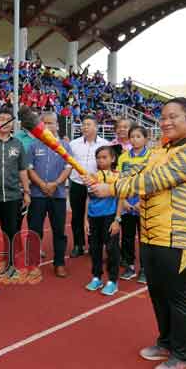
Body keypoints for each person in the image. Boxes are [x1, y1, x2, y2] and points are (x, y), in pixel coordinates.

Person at [86, 97, 186, 369]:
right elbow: (137, 174)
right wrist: (105, 180)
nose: (165, 122)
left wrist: (112, 189)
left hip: (182, 236)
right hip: (153, 234)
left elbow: (154, 181)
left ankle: (184, 356)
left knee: (178, 296)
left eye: (173, 117)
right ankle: (166, 342)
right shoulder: (160, 150)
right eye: (163, 117)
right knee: (158, 293)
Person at [27, 112, 73, 278]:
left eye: (51, 123)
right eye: (44, 123)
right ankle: (32, 263)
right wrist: (41, 184)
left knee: (59, 231)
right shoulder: (33, 145)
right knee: (34, 230)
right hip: (37, 195)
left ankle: (59, 263)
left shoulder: (65, 146)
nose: (48, 126)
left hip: (58, 195)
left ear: (57, 125)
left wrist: (55, 184)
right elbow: (29, 168)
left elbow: (68, 168)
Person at [0, 107, 31, 276]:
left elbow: (23, 169)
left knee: (11, 232)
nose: (6, 122)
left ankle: (11, 265)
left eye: (9, 118)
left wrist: (27, 192)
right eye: (2, 118)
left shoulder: (18, 144)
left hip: (13, 196)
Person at [69, 115, 110, 257]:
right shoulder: (74, 144)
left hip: (95, 185)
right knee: (77, 216)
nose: (85, 127)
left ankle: (94, 245)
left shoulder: (105, 144)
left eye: (88, 124)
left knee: (95, 215)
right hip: (77, 184)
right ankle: (78, 245)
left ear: (96, 127)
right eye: (83, 124)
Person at [84, 146, 121, 296]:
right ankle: (96, 277)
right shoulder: (92, 176)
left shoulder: (118, 176)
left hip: (110, 216)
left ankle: (112, 280)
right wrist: (85, 220)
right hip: (93, 217)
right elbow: (88, 198)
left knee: (111, 249)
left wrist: (117, 220)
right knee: (95, 248)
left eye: (104, 157)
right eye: (98, 157)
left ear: (112, 159)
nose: (101, 160)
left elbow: (121, 199)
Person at [116, 125, 151, 283]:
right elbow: (120, 180)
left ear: (145, 138)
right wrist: (124, 202)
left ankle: (145, 269)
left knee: (145, 238)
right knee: (127, 237)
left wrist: (141, 202)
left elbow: (152, 182)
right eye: (132, 136)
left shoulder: (151, 157)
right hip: (127, 205)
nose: (135, 139)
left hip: (144, 205)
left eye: (138, 136)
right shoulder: (123, 157)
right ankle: (129, 266)